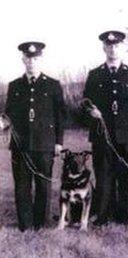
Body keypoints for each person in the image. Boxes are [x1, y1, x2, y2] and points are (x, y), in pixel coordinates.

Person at [83, 30, 128, 225]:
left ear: (121, 47)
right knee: (103, 175)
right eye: (109, 45)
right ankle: (103, 217)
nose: (112, 49)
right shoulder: (95, 74)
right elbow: (85, 102)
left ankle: (125, 217)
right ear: (104, 48)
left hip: (127, 135)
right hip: (102, 135)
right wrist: (90, 112)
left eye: (116, 45)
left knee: (126, 176)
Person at [6, 41, 65, 231]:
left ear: (41, 60)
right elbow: (8, 115)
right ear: (23, 60)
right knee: (22, 186)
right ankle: (26, 224)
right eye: (28, 58)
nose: (31, 62)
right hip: (20, 144)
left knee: (43, 185)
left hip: (45, 143)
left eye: (35, 59)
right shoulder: (14, 86)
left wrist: (58, 142)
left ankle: (40, 223)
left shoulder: (53, 85)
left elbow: (60, 116)